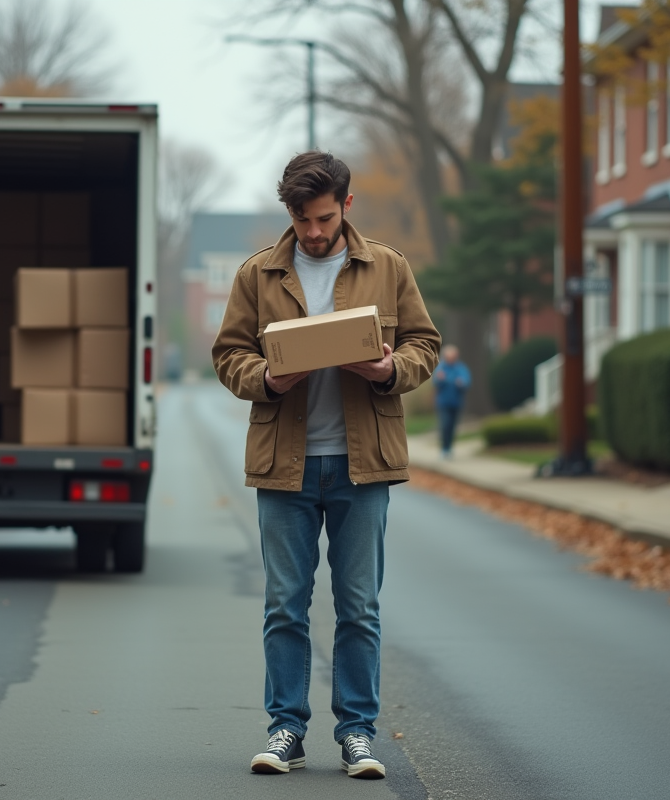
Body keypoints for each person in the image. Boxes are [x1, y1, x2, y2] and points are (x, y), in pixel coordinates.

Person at [212, 152, 440, 780]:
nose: (312, 232)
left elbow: (426, 344)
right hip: (285, 468)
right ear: (288, 212)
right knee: (285, 605)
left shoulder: (387, 266)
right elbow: (229, 355)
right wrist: (269, 377)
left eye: (321, 218)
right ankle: (286, 729)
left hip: (362, 466)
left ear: (345, 203)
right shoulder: (258, 275)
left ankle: (357, 736)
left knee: (358, 606)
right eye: (300, 219)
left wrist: (389, 369)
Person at [432, 344, 471, 458]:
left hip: (457, 402)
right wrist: (442, 380)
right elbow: (436, 382)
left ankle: (449, 447)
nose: (451, 359)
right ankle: (444, 449)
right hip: (443, 403)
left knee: (453, 426)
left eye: (453, 356)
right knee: (445, 425)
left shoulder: (461, 368)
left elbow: (466, 381)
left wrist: (461, 383)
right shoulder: (441, 368)